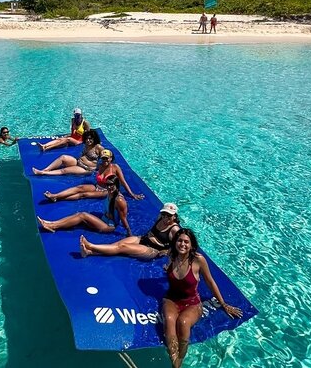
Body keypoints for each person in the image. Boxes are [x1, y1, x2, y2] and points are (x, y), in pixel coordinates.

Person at [162, 228, 243, 368]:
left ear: (192, 245)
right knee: (169, 321)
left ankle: (178, 362)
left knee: (183, 322)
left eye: (186, 242)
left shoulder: (198, 260)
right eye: (179, 241)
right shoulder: (172, 255)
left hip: (192, 302)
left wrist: (223, 304)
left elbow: (210, 282)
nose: (182, 244)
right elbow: (168, 266)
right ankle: (174, 360)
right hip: (171, 299)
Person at [37, 175, 133, 236]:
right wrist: (60, 197)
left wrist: (129, 233)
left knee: (82, 215)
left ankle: (53, 227)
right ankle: (51, 223)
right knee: (78, 214)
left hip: (108, 226)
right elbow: (87, 194)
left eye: (112, 185)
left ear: (117, 185)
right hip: (103, 219)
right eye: (107, 184)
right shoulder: (108, 193)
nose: (109, 187)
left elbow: (123, 218)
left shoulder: (119, 200)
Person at [79, 203, 181, 259]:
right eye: (164, 214)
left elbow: (178, 247)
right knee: (116, 244)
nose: (165, 218)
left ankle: (90, 245)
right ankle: (89, 252)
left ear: (175, 216)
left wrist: (165, 251)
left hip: (152, 249)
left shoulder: (175, 229)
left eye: (169, 215)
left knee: (122, 247)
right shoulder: (160, 217)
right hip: (143, 239)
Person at [43, 149, 144, 202]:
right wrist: (81, 170)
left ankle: (57, 198)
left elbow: (123, 182)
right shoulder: (99, 166)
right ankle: (56, 195)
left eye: (107, 158)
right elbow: (89, 169)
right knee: (79, 187)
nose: (105, 160)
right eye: (103, 158)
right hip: (97, 186)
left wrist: (132, 194)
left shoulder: (115, 167)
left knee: (83, 195)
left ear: (111, 159)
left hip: (107, 191)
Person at [32, 130, 103, 176]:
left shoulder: (98, 147)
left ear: (94, 139)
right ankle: (46, 169)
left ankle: (43, 173)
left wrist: (96, 170)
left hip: (86, 168)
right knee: (63, 157)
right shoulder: (86, 145)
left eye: (90, 139)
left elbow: (106, 158)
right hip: (78, 162)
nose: (88, 140)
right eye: (87, 138)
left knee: (64, 170)